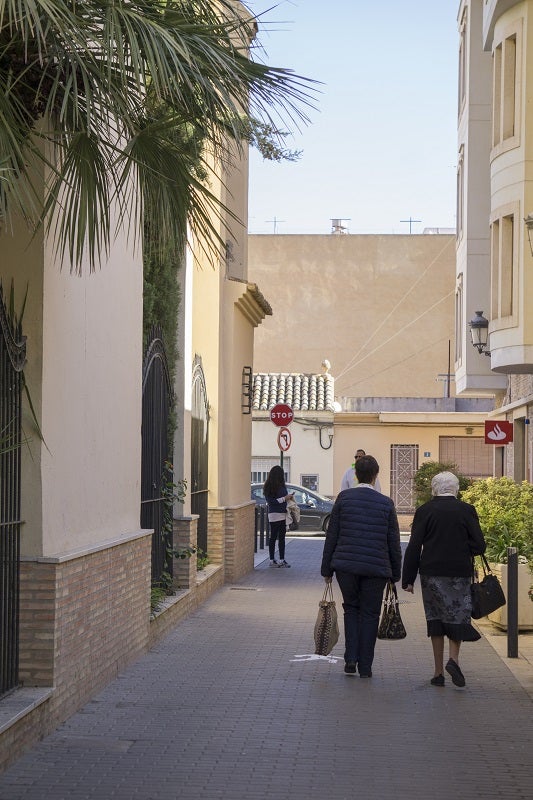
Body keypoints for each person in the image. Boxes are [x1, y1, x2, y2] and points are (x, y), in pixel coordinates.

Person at [401, 471, 486, 688]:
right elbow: (479, 545)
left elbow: (414, 546)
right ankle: (453, 660)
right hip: (459, 572)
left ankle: (438, 673)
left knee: (436, 618)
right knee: (457, 616)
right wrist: (461, 548)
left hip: (431, 572)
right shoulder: (466, 510)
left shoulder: (425, 511)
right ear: (456, 489)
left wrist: (407, 578)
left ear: (434, 488)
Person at [321, 455, 401, 677]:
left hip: (346, 567)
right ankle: (366, 666)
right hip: (376, 569)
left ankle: (350, 659)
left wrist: (326, 569)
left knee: (351, 609)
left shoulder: (344, 499)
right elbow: (393, 540)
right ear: (376, 476)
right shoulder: (386, 503)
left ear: (356, 475)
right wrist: (396, 573)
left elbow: (332, 535)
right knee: (370, 614)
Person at [263, 465, 293, 568]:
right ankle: (272, 560)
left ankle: (281, 559)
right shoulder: (269, 487)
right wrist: (285, 498)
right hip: (275, 514)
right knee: (274, 537)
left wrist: (289, 498)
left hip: (282, 514)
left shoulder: (281, 486)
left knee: (281, 538)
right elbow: (271, 502)